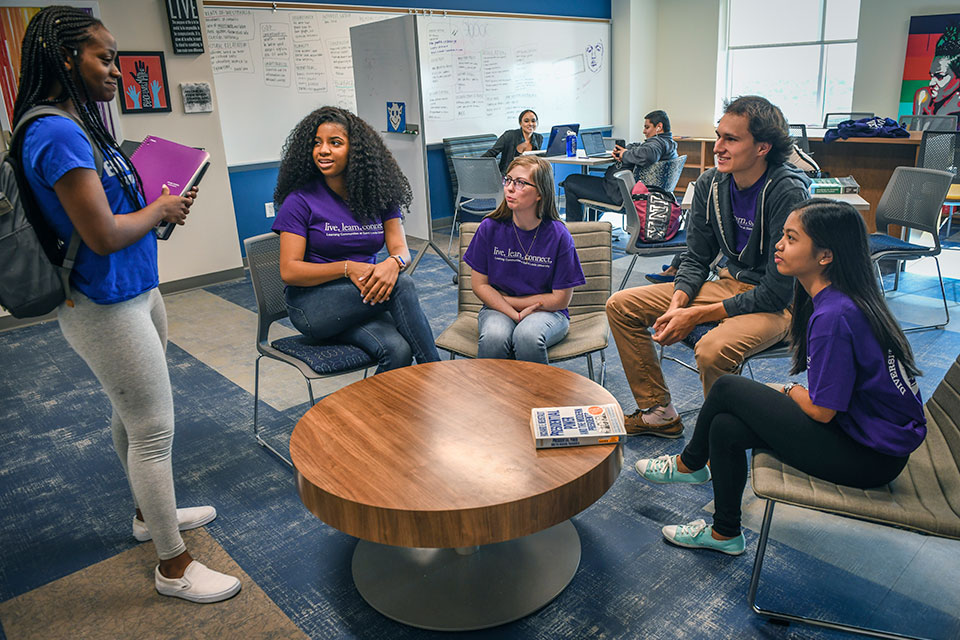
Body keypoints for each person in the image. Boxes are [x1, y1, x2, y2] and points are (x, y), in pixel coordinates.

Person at [16, 6, 240, 602]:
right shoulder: (56, 131)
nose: (117, 69)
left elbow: (115, 213)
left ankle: (150, 517)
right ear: (67, 59)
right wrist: (161, 210)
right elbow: (103, 234)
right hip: (103, 303)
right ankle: (173, 566)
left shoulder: (78, 122)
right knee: (153, 430)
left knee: (132, 414)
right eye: (105, 58)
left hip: (138, 290)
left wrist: (157, 204)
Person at [634, 199, 926, 555]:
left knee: (727, 387)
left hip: (869, 458)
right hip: (865, 438)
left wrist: (788, 391)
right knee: (725, 426)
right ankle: (725, 533)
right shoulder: (842, 298)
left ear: (825, 256)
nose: (779, 245)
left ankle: (690, 463)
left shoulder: (834, 316)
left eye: (791, 238)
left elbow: (821, 412)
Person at [606, 96, 810, 436]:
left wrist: (696, 315)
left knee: (711, 349)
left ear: (762, 147)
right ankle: (658, 411)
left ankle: (720, 441)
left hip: (783, 303)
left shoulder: (786, 191)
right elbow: (697, 257)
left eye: (731, 139)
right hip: (730, 284)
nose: (718, 147)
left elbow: (777, 291)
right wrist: (677, 304)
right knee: (621, 305)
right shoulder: (710, 184)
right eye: (718, 136)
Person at [272, 106, 440, 372]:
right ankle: (439, 376)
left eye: (335, 143)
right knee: (402, 285)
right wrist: (347, 268)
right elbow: (289, 271)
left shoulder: (378, 194)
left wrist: (393, 262)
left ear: (357, 151)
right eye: (317, 143)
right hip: (312, 306)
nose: (323, 150)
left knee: (398, 351)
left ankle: (374, 415)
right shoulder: (300, 200)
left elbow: (401, 249)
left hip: (364, 298)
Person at [463, 156, 585, 363]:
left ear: (540, 193)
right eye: (508, 180)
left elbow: (560, 299)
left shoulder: (558, 235)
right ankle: (489, 395)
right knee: (494, 337)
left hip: (548, 312)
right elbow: (479, 285)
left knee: (527, 337)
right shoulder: (490, 227)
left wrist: (510, 302)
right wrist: (513, 312)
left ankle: (536, 396)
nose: (510, 188)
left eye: (520, 183)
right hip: (496, 308)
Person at [561, 110, 678, 222]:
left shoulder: (657, 143)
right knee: (582, 183)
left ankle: (574, 234)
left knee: (571, 181)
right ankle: (592, 228)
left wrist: (625, 154)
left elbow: (649, 155)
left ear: (659, 127)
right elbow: (644, 148)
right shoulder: (669, 144)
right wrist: (628, 150)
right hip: (628, 193)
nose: (644, 131)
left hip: (619, 194)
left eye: (647, 127)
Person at [916, 21, 960, 125]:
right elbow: (914, 139)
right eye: (931, 76)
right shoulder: (925, 98)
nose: (931, 83)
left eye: (940, 76)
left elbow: (933, 140)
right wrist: (919, 109)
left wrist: (944, 111)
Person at [483, 109, 543, 175]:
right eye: (526, 121)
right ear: (520, 123)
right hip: (509, 175)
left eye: (533, 121)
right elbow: (492, 153)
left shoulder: (539, 138)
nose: (530, 124)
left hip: (528, 174)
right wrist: (475, 164)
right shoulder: (509, 135)